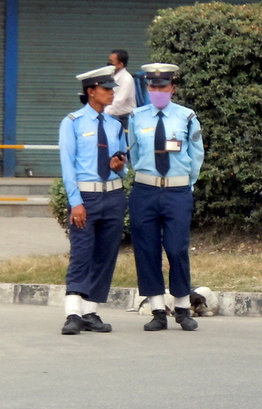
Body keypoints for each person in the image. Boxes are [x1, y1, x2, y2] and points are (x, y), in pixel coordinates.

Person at [128, 63, 204, 331]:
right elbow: (134, 155)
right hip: (145, 190)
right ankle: (157, 310)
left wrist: (186, 184)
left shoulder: (186, 117)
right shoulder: (136, 117)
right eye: (152, 86)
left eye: (162, 87)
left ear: (172, 88)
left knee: (176, 248)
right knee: (147, 250)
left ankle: (183, 307)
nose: (157, 91)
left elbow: (197, 154)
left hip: (177, 191)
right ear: (148, 88)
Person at [58, 66, 128, 335]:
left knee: (105, 254)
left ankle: (91, 311)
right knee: (82, 253)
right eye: (106, 89)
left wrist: (119, 165)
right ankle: (73, 312)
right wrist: (75, 202)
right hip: (85, 197)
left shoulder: (115, 125)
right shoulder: (73, 122)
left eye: (112, 89)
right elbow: (68, 166)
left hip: (112, 194)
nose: (112, 94)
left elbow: (123, 166)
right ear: (91, 92)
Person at [105, 49, 136, 131]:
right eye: (109, 60)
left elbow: (119, 100)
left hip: (125, 118)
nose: (109, 64)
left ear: (121, 64)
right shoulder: (111, 76)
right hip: (112, 115)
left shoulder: (127, 79)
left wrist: (104, 113)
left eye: (112, 62)